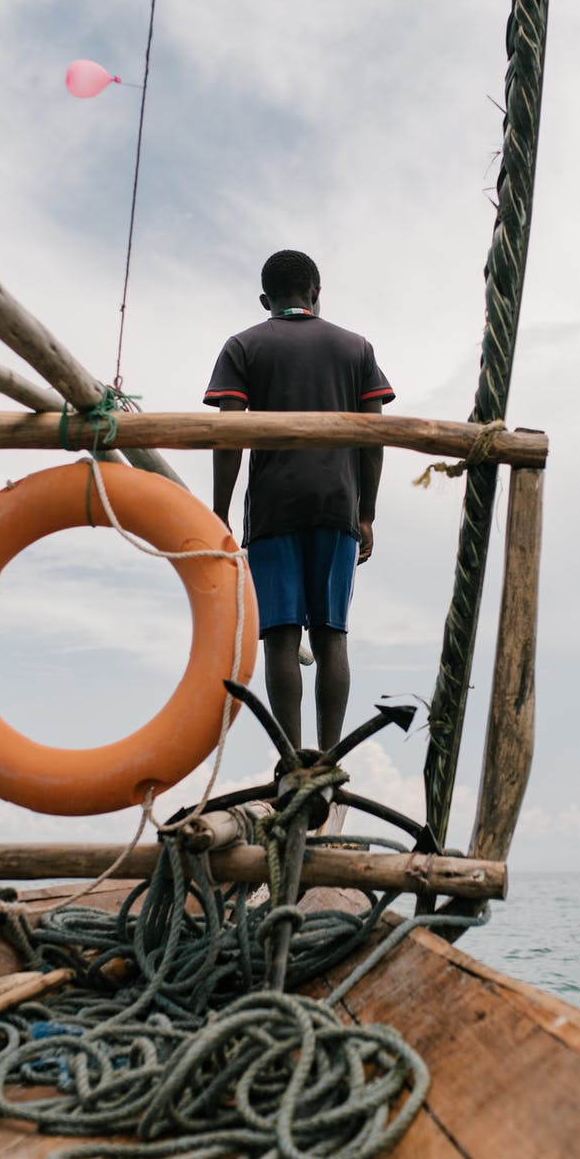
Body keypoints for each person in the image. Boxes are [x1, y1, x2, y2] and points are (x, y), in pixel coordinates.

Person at [205, 250, 392, 831]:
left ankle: (291, 764)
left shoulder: (243, 346)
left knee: (281, 637)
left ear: (265, 300)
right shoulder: (354, 347)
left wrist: (219, 513)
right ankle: (329, 763)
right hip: (338, 503)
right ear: (317, 291)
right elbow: (374, 437)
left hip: (274, 509)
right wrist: (367, 512)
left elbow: (228, 434)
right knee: (332, 635)